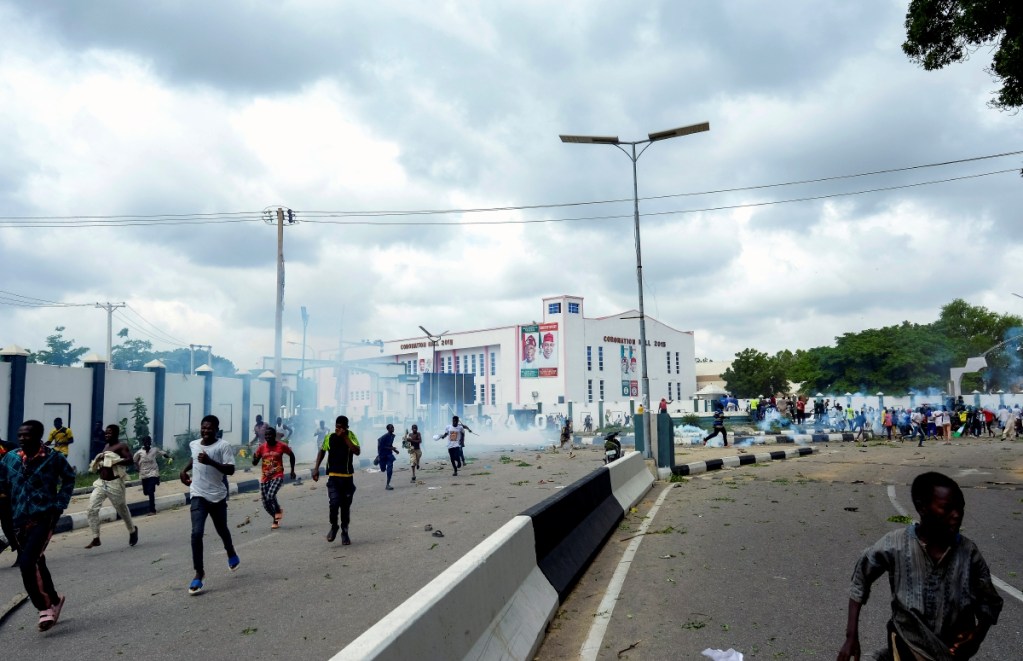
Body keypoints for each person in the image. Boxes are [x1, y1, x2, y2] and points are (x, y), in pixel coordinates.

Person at [837, 472, 1003, 661]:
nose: (957, 515)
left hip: (949, 653)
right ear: (922, 508)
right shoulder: (895, 544)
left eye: (960, 508)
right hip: (907, 645)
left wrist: (977, 635)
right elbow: (861, 577)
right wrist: (851, 636)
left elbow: (990, 602)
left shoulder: (969, 553)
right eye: (947, 508)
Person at [0, 420, 76, 631]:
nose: (22, 438)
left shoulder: (54, 458)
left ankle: (44, 608)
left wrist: (60, 504)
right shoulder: (10, 459)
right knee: (37, 562)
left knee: (27, 563)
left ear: (39, 436)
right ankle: (54, 598)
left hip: (44, 517)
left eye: (27, 435)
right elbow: (2, 483)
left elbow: (69, 479)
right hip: (19, 519)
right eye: (20, 435)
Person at [179, 415, 240, 595]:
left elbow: (231, 470)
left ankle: (230, 552)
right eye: (203, 428)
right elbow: (195, 458)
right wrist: (183, 470)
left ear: (216, 430)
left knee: (222, 529)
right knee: (196, 533)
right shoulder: (194, 444)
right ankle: (199, 572)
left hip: (218, 495)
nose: (206, 431)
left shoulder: (223, 446)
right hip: (198, 494)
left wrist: (210, 462)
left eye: (209, 428)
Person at [85, 424, 139, 549]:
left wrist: (115, 460)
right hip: (101, 483)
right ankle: (96, 537)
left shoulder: (121, 446)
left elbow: (130, 460)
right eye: (106, 433)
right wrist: (99, 463)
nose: (107, 435)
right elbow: (105, 463)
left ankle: (132, 530)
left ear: (116, 434)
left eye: (109, 433)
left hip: (114, 484)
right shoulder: (106, 446)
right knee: (91, 509)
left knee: (122, 509)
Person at [312, 415, 360, 545]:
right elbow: (322, 451)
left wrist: (345, 437)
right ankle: (334, 526)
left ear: (346, 427)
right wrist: (316, 468)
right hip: (333, 477)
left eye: (341, 427)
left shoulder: (351, 436)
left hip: (347, 478)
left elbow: (357, 451)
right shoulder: (330, 437)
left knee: (345, 508)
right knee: (333, 504)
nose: (338, 429)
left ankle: (345, 532)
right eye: (336, 426)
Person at [252, 427, 296, 529]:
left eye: (270, 435)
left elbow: (292, 455)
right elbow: (254, 463)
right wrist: (253, 458)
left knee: (271, 496)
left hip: (277, 475)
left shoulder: (281, 446)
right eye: (266, 435)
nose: (268, 437)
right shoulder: (261, 447)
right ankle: (275, 518)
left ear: (274, 435)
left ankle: (277, 511)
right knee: (265, 503)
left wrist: (292, 470)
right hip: (265, 478)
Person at [133, 435, 171, 515]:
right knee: (146, 492)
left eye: (148, 441)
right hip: (144, 473)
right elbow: (134, 460)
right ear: (143, 443)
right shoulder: (139, 452)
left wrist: (169, 457)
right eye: (145, 442)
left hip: (153, 472)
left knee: (150, 491)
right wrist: (136, 467)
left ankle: (152, 510)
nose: (147, 443)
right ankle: (156, 481)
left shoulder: (154, 450)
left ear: (150, 442)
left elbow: (163, 453)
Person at [376, 424, 399, 490]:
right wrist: (379, 454)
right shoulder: (384, 436)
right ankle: (378, 458)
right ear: (388, 429)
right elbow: (380, 445)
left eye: (393, 427)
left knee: (389, 469)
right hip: (382, 454)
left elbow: (390, 444)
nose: (393, 428)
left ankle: (387, 484)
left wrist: (395, 450)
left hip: (389, 454)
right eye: (391, 428)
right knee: (383, 469)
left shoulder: (392, 436)